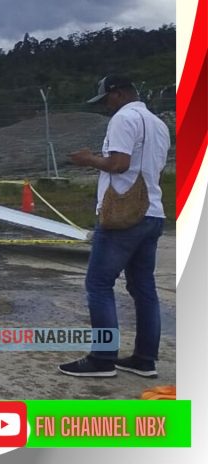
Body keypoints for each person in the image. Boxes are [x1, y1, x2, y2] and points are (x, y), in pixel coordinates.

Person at [59, 75, 170, 378]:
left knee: (98, 284)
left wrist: (88, 159)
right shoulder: (159, 124)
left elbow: (119, 164)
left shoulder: (124, 118)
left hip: (123, 216)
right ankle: (145, 359)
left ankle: (102, 358)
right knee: (143, 287)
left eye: (106, 100)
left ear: (118, 94)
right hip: (153, 213)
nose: (105, 107)